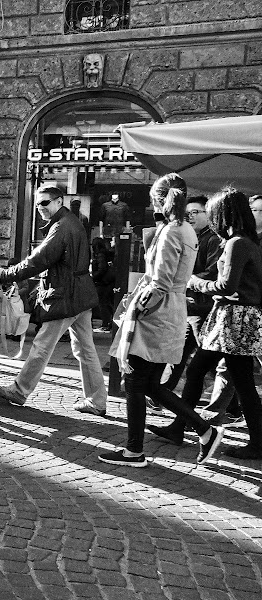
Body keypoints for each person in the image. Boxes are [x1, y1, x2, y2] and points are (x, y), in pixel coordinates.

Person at [98, 173, 222, 468]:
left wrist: (138, 310)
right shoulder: (186, 230)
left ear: (158, 199)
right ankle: (205, 430)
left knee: (137, 382)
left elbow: (160, 282)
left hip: (158, 313)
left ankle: (134, 451)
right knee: (151, 384)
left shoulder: (171, 231)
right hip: (170, 310)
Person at [147, 187, 262, 460]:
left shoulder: (237, 243)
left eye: (212, 215)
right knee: (219, 375)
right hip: (235, 317)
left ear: (223, 215)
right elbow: (229, 288)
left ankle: (253, 441)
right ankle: (182, 426)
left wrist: (193, 281)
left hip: (234, 319)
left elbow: (226, 285)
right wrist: (222, 290)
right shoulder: (247, 241)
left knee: (229, 379)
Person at [0, 184, 107, 416]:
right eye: (37, 204)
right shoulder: (70, 223)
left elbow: (37, 260)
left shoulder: (62, 227)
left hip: (66, 295)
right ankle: (97, 400)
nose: (40, 208)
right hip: (79, 294)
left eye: (44, 203)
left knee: (43, 345)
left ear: (58, 202)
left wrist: (4, 274)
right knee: (85, 349)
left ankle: (20, 390)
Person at [161, 196, 222, 391]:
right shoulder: (192, 236)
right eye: (188, 214)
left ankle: (231, 407)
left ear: (208, 213)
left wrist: (186, 278)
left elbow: (213, 272)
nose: (191, 217)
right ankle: (161, 392)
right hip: (191, 304)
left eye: (196, 212)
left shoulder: (213, 239)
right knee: (180, 354)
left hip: (203, 306)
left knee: (206, 359)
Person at [91, 237, 115, 332]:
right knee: (107, 303)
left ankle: (105, 323)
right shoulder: (107, 254)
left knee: (102, 303)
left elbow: (102, 269)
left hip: (101, 282)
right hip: (107, 282)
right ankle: (109, 322)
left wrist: (93, 277)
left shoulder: (100, 255)